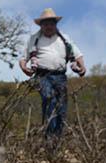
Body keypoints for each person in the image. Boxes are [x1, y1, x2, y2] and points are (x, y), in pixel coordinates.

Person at [19, 8, 86, 140]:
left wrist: (82, 67)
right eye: (45, 23)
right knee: (49, 100)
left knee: (61, 107)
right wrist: (24, 68)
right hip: (42, 76)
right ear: (41, 25)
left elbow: (77, 55)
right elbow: (23, 58)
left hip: (60, 77)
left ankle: (57, 141)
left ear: (55, 24)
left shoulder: (65, 38)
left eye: (51, 23)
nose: (48, 26)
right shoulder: (34, 39)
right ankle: (49, 139)